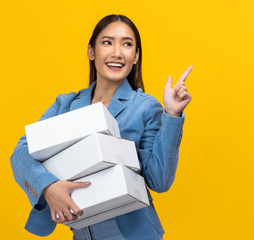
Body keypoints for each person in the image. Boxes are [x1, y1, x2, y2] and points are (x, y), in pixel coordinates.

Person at [10, 14, 192, 240]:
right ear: (91, 52)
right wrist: (48, 187)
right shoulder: (65, 105)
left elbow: (159, 181)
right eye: (107, 42)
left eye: (127, 44)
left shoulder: (145, 107)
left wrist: (172, 115)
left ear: (135, 57)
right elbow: (21, 151)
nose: (117, 52)